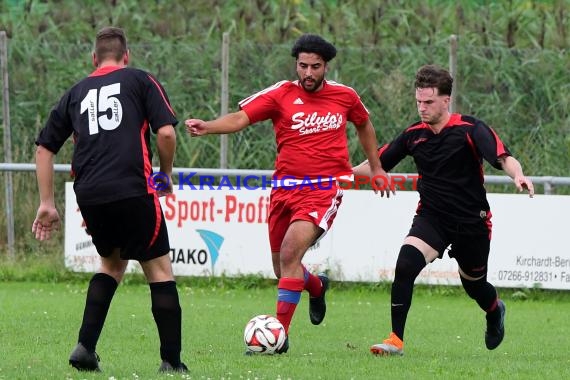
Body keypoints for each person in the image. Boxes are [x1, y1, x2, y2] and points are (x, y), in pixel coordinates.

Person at [185, 33, 391, 353]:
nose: (308, 73)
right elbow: (241, 118)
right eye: (303, 66)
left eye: (316, 67)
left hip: (323, 189)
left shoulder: (345, 96)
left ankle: (278, 338)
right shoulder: (281, 93)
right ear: (296, 64)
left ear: (326, 67)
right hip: (283, 190)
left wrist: (376, 168)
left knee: (291, 252)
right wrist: (208, 126)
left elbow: (364, 125)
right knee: (282, 269)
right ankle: (316, 285)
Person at [32, 27, 187, 373]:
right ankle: (172, 363)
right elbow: (165, 131)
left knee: (112, 264)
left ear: (93, 60)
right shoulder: (140, 80)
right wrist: (165, 173)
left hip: (89, 193)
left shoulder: (75, 92)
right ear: (126, 56)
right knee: (159, 270)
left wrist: (47, 203)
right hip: (132, 187)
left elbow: (44, 148)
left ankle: (85, 348)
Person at [354, 64, 534, 356]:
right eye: (418, 102)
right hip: (432, 218)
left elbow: (503, 158)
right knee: (406, 264)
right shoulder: (413, 136)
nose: (421, 108)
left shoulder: (470, 129)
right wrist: (342, 174)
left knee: (475, 286)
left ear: (446, 100)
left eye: (428, 102)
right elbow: (376, 166)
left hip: (472, 223)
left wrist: (518, 175)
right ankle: (395, 340)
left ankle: (494, 310)